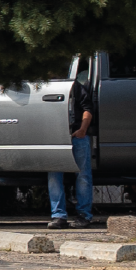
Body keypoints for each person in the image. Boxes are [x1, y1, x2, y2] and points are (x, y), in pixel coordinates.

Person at [49, 70, 99, 229]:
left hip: (77, 136)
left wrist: (83, 129)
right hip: (54, 139)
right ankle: (58, 216)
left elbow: (88, 109)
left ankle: (84, 215)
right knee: (54, 176)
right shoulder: (43, 89)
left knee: (83, 176)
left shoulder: (75, 87)